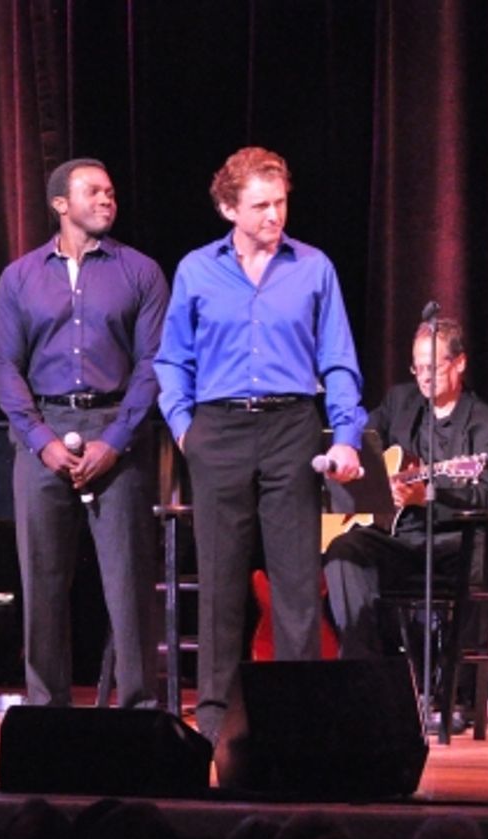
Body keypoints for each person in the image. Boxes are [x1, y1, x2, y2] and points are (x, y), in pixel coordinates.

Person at [154, 146, 366, 744]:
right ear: (229, 208)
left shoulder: (313, 267)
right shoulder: (197, 269)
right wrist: (184, 427)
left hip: (290, 428)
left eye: (281, 203)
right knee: (220, 584)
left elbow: (339, 359)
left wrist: (346, 433)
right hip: (217, 432)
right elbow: (172, 359)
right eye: (262, 205)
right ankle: (218, 720)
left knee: (296, 581)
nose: (276, 215)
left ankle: (299, 720)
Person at [0, 158, 167, 710]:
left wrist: (114, 441)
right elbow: (3, 365)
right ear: (60, 204)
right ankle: (47, 711)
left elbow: (154, 363)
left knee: (129, 585)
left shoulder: (140, 272)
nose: (107, 199)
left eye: (111, 191)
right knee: (42, 584)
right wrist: (39, 439)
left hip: (117, 430)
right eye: (94, 192)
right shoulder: (21, 276)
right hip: (43, 429)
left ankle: (138, 709)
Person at [323, 318, 488, 659]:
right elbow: (359, 441)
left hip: (454, 541)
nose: (424, 376)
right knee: (344, 550)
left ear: (460, 363)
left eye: (434, 367)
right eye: (418, 367)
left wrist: (429, 497)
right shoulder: (399, 402)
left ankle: (457, 681)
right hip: (399, 540)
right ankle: (368, 671)